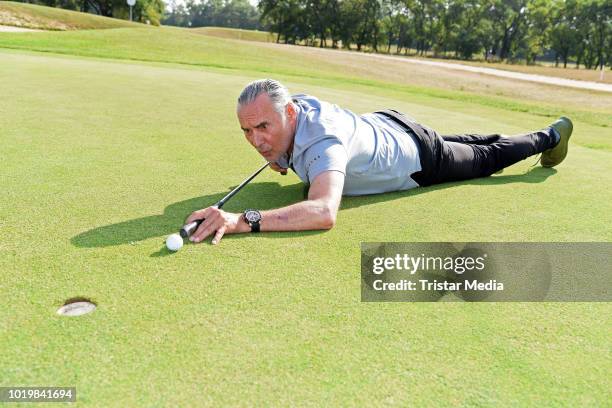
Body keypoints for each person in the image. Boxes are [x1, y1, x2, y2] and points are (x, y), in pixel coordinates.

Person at [186, 79, 573, 244]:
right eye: (247, 131)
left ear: (288, 113)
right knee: (468, 144)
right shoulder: (292, 109)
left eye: (263, 127)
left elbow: (323, 211)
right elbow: (293, 136)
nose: (256, 140)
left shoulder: (324, 141)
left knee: (485, 157)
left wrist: (242, 220)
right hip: (384, 124)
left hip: (419, 157)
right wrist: (280, 150)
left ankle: (550, 135)